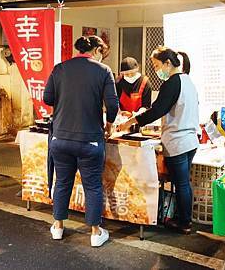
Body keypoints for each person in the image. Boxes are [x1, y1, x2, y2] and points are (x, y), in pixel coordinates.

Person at [43, 35, 118, 247]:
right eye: (101, 53)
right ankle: (95, 233)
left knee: (62, 181)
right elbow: (112, 106)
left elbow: (48, 98)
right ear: (96, 50)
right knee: (92, 186)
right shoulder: (103, 71)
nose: (101, 57)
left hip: (61, 138)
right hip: (90, 140)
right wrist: (109, 124)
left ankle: (58, 227)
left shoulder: (59, 69)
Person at [118, 47, 199, 234]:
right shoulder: (187, 81)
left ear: (168, 63)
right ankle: (184, 219)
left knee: (181, 183)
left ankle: (184, 222)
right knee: (184, 182)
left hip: (178, 141)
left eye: (156, 65)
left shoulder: (172, 83)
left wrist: (132, 121)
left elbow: (157, 110)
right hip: (190, 140)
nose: (156, 70)